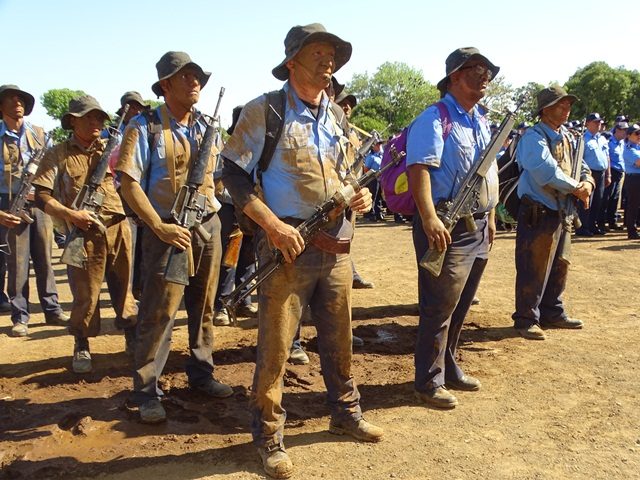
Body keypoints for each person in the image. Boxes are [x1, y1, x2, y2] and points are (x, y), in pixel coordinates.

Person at [221, 23, 383, 479]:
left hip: (337, 248)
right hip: (286, 249)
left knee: (339, 338)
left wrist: (360, 194)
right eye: (317, 52)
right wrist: (273, 227)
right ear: (292, 61)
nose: (328, 60)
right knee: (275, 349)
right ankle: (269, 437)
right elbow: (232, 176)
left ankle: (345, 413)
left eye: (332, 53)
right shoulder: (265, 111)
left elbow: (348, 172)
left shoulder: (337, 117)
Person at [115, 51, 233, 424]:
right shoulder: (144, 126)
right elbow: (129, 183)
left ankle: (202, 373)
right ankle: (147, 391)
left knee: (205, 306)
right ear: (165, 85)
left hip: (208, 225)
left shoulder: (208, 126)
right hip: (167, 229)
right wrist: (158, 226)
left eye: (198, 76)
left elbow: (221, 176)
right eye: (186, 76)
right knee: (159, 313)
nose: (195, 82)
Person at [407, 47, 500, 409]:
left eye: (487, 71)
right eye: (476, 69)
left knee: (459, 304)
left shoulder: (480, 120)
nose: (484, 76)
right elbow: (419, 169)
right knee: (439, 306)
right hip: (447, 226)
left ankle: (448, 365)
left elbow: (485, 174)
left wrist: (491, 216)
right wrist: (429, 217)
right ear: (455, 76)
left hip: (478, 225)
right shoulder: (434, 118)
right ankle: (428, 381)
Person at [33, 95, 138, 371]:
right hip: (84, 232)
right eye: (89, 117)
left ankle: (132, 336)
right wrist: (71, 215)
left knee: (124, 288)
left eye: (99, 117)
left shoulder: (113, 149)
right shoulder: (58, 153)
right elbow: (41, 196)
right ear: (72, 121)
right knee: (86, 294)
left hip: (118, 227)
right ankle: (82, 343)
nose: (95, 122)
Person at [512, 85, 594, 340]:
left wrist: (588, 183)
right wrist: (577, 188)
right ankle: (526, 319)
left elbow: (582, 165)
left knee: (560, 264)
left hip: (562, 211)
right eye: (561, 104)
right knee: (533, 267)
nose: (567, 108)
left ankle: (552, 312)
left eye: (568, 104)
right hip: (538, 213)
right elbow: (546, 172)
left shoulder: (567, 136)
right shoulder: (533, 137)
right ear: (545, 109)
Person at [0, 84, 69, 337]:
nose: (17, 103)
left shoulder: (39, 134)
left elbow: (54, 170)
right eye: (10, 99)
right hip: (9, 204)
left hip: (38, 202)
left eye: (20, 99)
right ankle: (20, 317)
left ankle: (52, 310)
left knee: (45, 259)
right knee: (17, 264)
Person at [213, 104, 257, 326]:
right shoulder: (228, 147)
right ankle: (222, 305)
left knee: (249, 257)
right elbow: (216, 177)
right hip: (230, 206)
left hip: (253, 207)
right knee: (228, 258)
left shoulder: (258, 146)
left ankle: (243, 300)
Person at [576, 112, 610, 236]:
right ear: (588, 124)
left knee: (598, 200)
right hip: (588, 174)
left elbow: (607, 157)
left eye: (599, 122)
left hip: (601, 173)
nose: (598, 124)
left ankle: (592, 225)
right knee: (586, 201)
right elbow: (579, 159)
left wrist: (608, 174)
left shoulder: (602, 139)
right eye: (595, 122)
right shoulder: (582, 139)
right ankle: (582, 227)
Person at [601, 121, 627, 231]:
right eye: (623, 130)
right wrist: (608, 174)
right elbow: (606, 159)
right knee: (606, 198)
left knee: (615, 198)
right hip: (611, 172)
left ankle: (612, 221)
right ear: (617, 130)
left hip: (620, 173)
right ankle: (602, 222)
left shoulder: (623, 143)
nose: (625, 133)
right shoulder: (609, 142)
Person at [623, 124, 640, 239]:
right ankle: (632, 231)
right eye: (636, 133)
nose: (639, 136)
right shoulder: (628, 149)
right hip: (634, 179)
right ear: (629, 135)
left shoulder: (638, 147)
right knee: (633, 205)